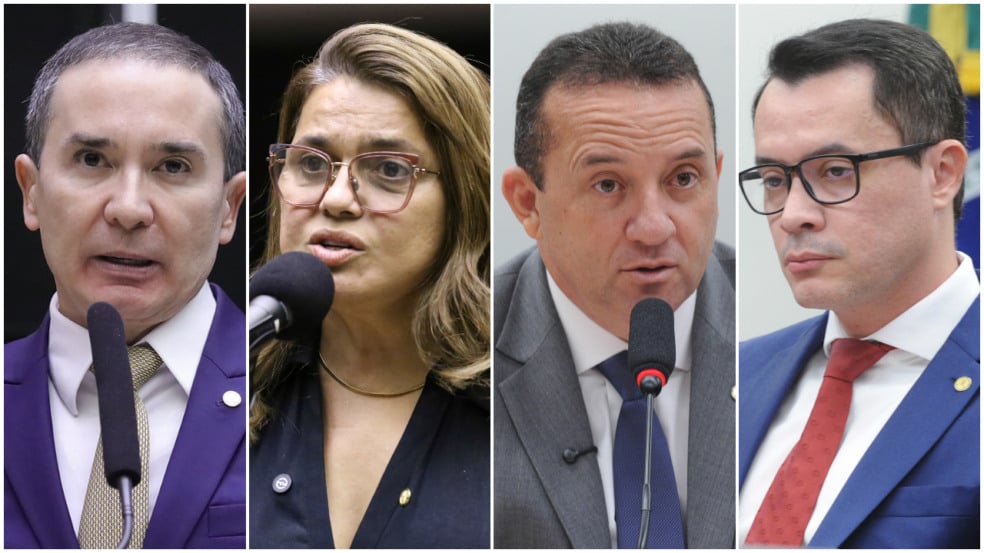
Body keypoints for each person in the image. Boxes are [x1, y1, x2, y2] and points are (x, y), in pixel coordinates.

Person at [737, 18, 979, 549]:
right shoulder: (733, 378)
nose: (793, 215)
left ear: (942, 173)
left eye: (836, 171)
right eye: (775, 180)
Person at [5, 21, 247, 549]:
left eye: (173, 166)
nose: (130, 209)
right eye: (92, 160)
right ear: (31, 193)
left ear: (229, 208)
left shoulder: (300, 390)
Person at [248, 23, 490, 548]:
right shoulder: (224, 383)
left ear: (465, 200)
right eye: (311, 164)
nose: (336, 199)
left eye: (387, 169)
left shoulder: (524, 406)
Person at [495, 21, 735, 548]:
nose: (654, 226)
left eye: (684, 179)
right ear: (528, 204)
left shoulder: (785, 331)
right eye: (608, 185)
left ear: (716, 178)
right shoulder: (467, 349)